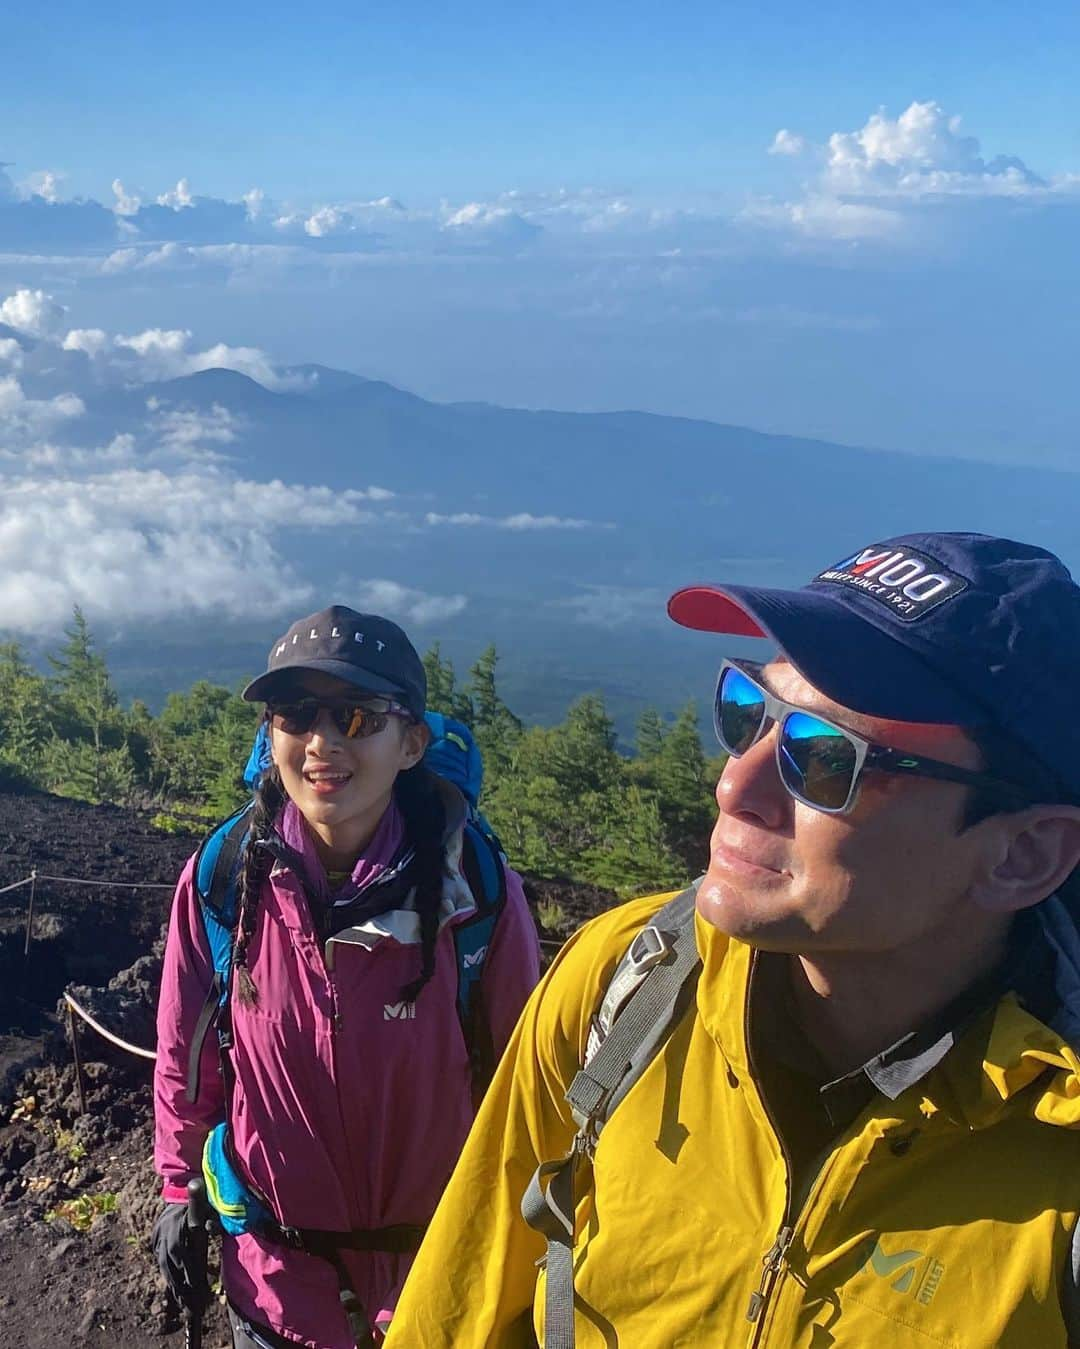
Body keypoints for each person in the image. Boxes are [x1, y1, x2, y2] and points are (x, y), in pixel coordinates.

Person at [385, 532, 1080, 1348]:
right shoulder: (628, 981)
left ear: (1022, 854)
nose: (733, 782)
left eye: (823, 757)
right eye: (748, 711)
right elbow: (454, 1315)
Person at [152, 605, 540, 1349]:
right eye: (296, 714)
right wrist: (178, 1186)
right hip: (275, 1286)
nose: (322, 742)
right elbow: (185, 1055)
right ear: (270, 735)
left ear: (412, 743)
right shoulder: (224, 881)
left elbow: (525, 1086)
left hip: (438, 1285)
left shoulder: (477, 899)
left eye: (358, 717)